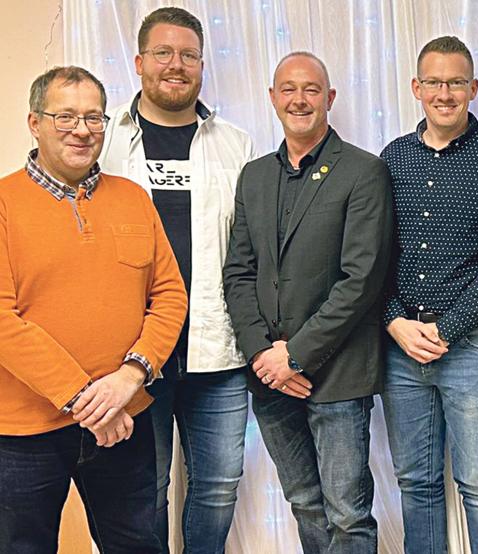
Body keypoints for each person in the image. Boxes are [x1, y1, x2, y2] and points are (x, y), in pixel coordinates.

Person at [0, 66, 187, 553]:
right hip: (24, 431)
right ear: (34, 122)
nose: (82, 130)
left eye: (93, 117)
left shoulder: (133, 199)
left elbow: (169, 295)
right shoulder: (2, 202)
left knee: (140, 545)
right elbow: (2, 321)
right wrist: (87, 400)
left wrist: (129, 378)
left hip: (127, 416)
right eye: (65, 117)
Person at [98, 8, 254, 552]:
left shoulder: (235, 143)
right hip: (132, 355)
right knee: (146, 489)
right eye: (163, 53)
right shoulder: (105, 143)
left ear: (202, 66)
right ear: (139, 62)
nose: (176, 65)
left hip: (218, 351)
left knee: (218, 486)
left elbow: (251, 248)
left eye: (188, 55)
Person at [223, 51, 392, 553]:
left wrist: (294, 354)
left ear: (330, 98)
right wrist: (263, 355)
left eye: (312, 89)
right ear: (273, 98)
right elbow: (238, 271)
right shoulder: (254, 176)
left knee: (347, 513)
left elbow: (361, 280)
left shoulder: (363, 171)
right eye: (289, 89)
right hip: (270, 377)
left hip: (336, 374)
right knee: (303, 501)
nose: (300, 99)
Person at [381, 35, 478, 554]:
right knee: (416, 485)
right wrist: (395, 321)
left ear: (473, 87)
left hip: (476, 346)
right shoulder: (393, 157)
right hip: (402, 349)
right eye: (434, 82)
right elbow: (371, 255)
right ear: (416, 88)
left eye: (456, 82)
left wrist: (446, 328)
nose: (444, 93)